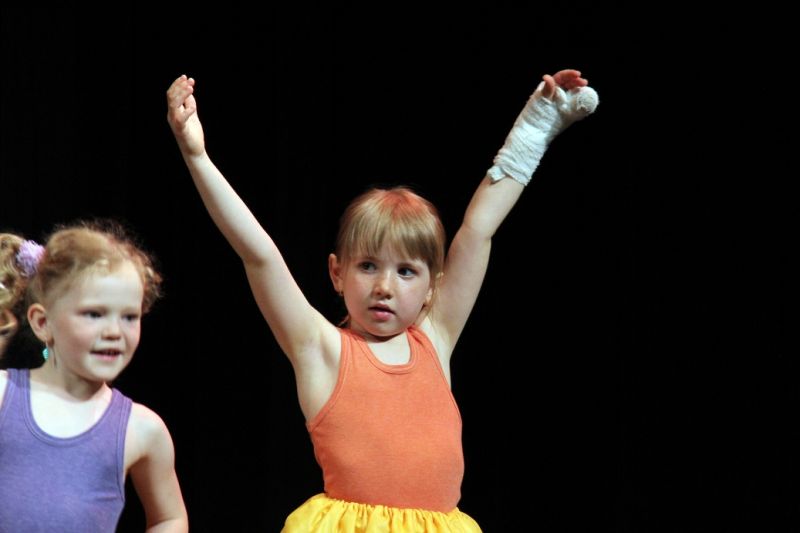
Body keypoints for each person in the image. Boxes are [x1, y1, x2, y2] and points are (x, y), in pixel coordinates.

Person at [166, 68, 598, 531]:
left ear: (432, 287)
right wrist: (197, 156)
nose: (384, 287)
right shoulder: (321, 349)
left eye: (406, 271)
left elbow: (478, 229)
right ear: (337, 273)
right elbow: (260, 256)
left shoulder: (436, 339)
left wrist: (537, 124)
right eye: (368, 266)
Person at [0, 221, 189, 532]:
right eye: (94, 314)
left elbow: (170, 518)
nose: (114, 331)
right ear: (43, 323)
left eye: (129, 317)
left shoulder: (142, 429)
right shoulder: (5, 395)